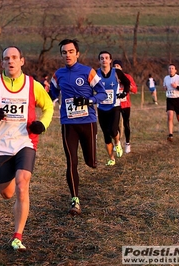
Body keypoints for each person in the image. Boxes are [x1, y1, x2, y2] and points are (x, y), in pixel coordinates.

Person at [0, 46, 53, 251]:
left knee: (22, 184)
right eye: (6, 58)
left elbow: (48, 107)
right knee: (7, 193)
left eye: (14, 58)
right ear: (2, 63)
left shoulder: (33, 85)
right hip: (2, 145)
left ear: (22, 61)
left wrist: (42, 124)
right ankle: (15, 206)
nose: (11, 61)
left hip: (26, 141)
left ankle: (17, 236)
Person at [49, 39, 107, 216]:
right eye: (64, 52)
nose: (67, 55)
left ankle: (92, 160)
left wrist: (90, 100)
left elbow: (103, 93)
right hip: (68, 124)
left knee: (91, 162)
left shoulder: (88, 71)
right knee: (71, 161)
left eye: (71, 51)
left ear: (77, 53)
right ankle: (75, 199)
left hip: (87, 122)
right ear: (61, 55)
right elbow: (50, 96)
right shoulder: (58, 75)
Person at [97, 52, 130, 166]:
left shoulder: (117, 72)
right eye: (102, 58)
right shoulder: (95, 73)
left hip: (114, 106)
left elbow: (127, 82)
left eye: (106, 58)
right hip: (101, 107)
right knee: (106, 134)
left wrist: (124, 92)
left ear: (110, 61)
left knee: (113, 130)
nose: (104, 60)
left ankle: (117, 143)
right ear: (99, 61)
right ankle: (111, 158)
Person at [113, 60, 138, 153]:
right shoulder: (111, 77)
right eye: (114, 65)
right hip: (115, 104)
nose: (116, 67)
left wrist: (128, 86)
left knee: (126, 123)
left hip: (125, 104)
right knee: (115, 124)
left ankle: (127, 143)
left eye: (118, 65)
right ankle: (117, 143)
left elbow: (135, 90)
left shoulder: (127, 77)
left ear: (121, 68)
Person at [162, 64, 179, 141]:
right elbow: (164, 86)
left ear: (175, 70)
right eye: (169, 68)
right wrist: (165, 88)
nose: (171, 70)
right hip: (169, 99)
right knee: (170, 116)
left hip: (177, 99)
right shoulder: (166, 78)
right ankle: (170, 135)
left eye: (172, 68)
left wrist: (177, 87)